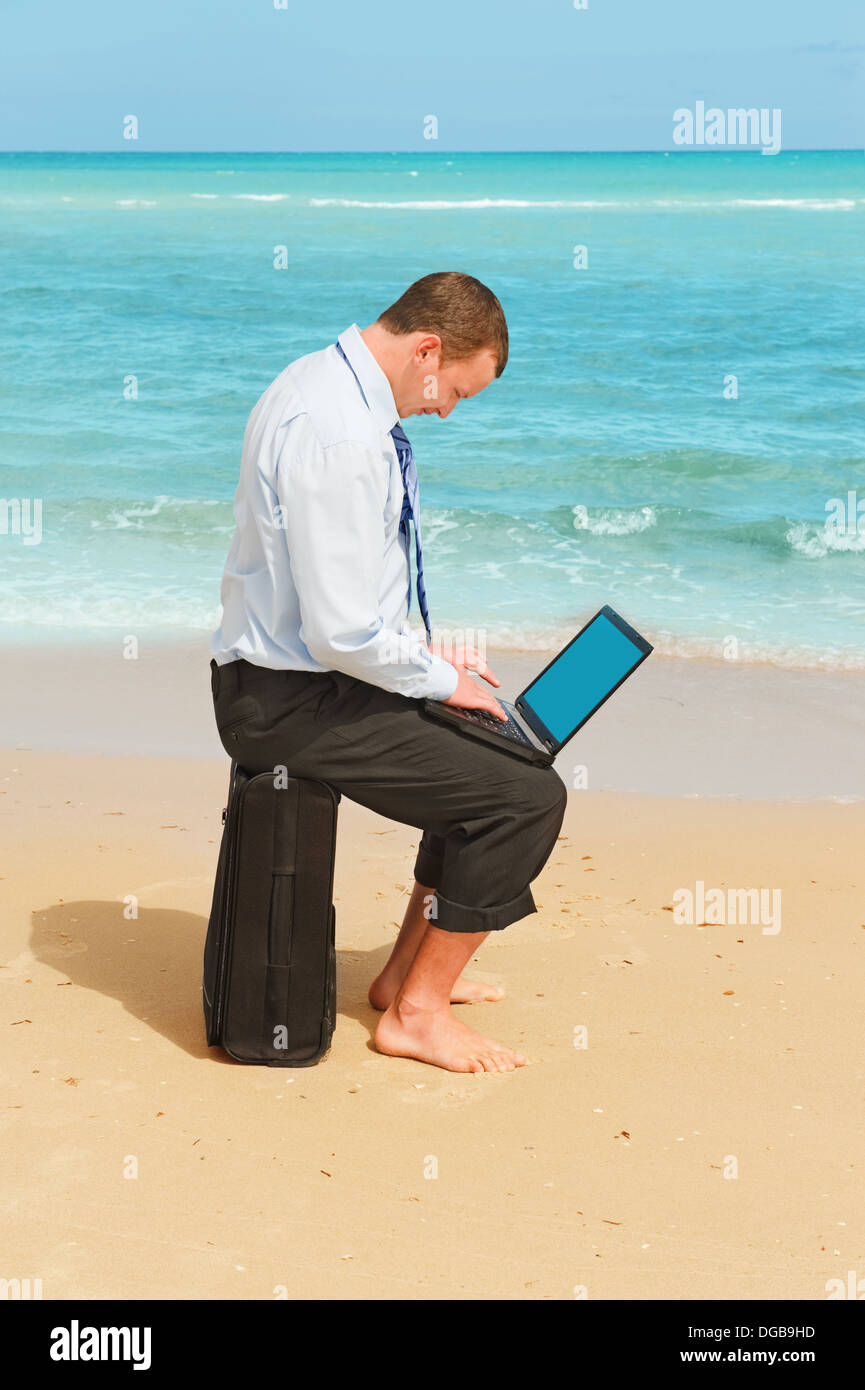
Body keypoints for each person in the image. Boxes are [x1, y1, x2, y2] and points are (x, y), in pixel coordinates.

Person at [210, 271, 568, 1073]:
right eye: (455, 392)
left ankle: (404, 975)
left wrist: (428, 661)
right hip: (285, 701)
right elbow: (338, 632)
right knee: (525, 798)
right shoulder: (339, 434)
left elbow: (337, 606)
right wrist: (440, 682)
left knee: (495, 753)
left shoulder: (320, 380)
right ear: (426, 348)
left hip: (302, 673)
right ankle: (415, 1013)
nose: (446, 409)